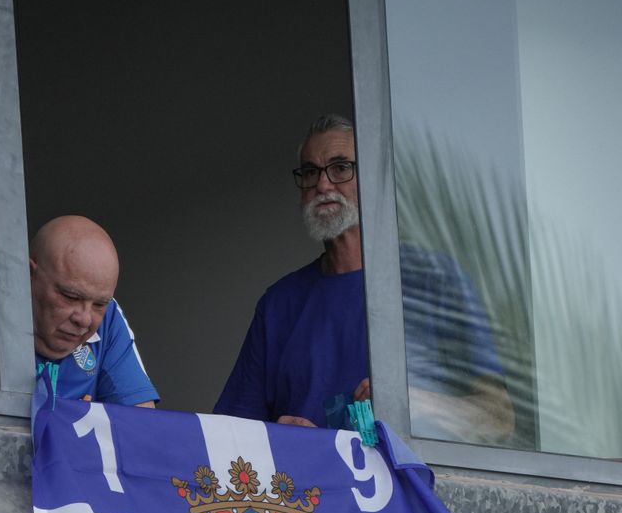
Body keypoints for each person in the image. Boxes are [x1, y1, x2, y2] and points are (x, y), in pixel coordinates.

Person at [213, 116, 513, 443]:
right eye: (311, 172)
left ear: (372, 179)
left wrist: (411, 402)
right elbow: (230, 434)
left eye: (341, 168)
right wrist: (285, 439)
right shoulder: (279, 304)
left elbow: (498, 419)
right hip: (309, 477)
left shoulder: (434, 278)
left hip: (410, 476)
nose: (322, 185)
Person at [31, 215, 158, 407]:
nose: (84, 319)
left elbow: (142, 420)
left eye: (99, 304)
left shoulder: (109, 315)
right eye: (70, 297)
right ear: (29, 275)